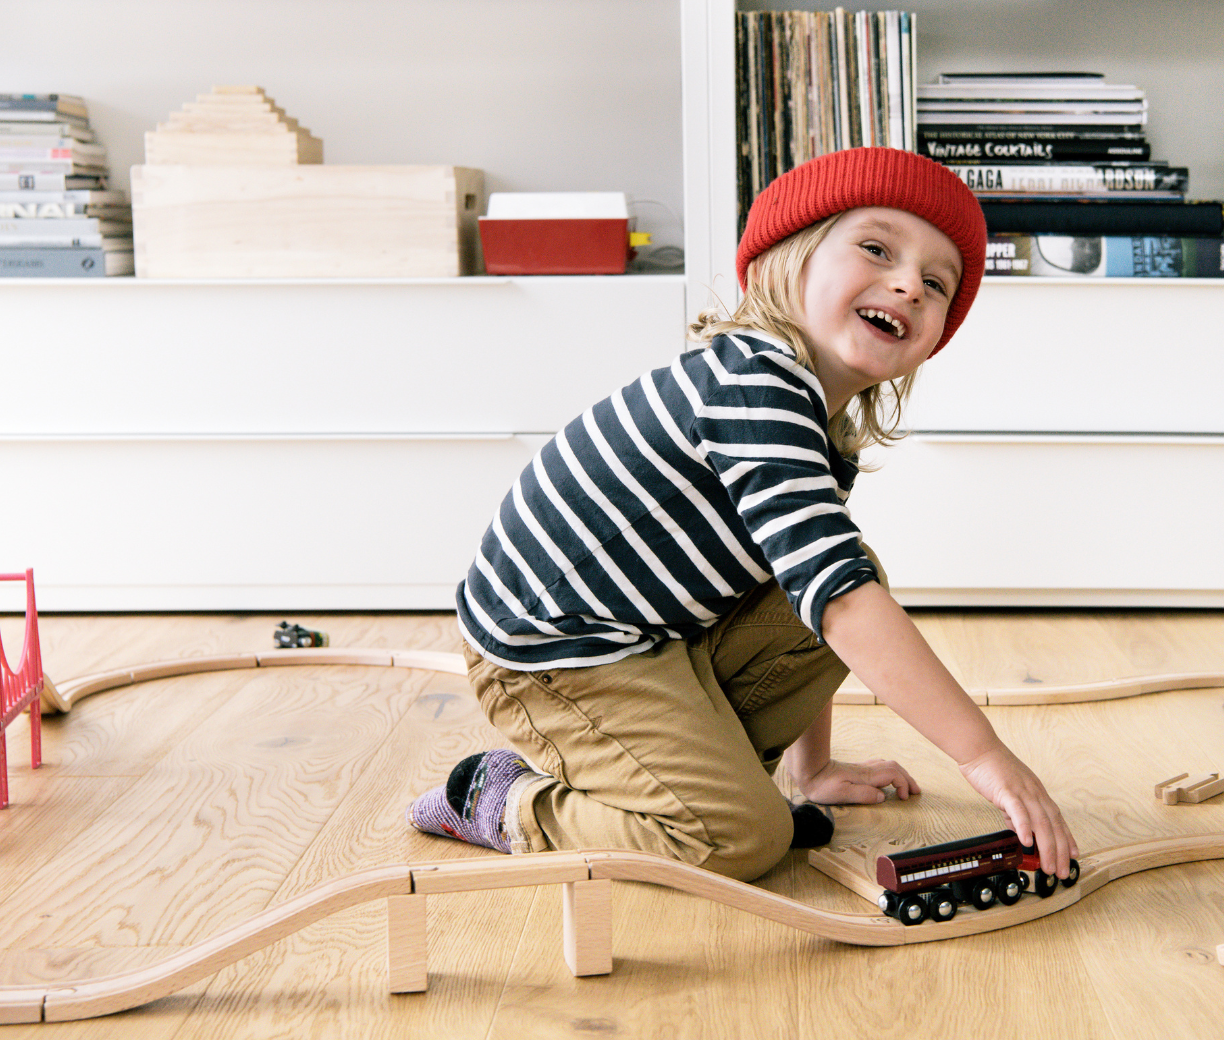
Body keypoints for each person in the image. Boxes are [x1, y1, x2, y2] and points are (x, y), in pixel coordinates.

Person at [410, 147, 1078, 884]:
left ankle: (694, 785)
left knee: (853, 576)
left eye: (935, 283)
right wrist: (984, 756)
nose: (907, 285)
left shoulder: (817, 426)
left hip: (656, 639)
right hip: (554, 656)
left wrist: (813, 771)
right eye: (877, 249)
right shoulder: (755, 382)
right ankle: (506, 801)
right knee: (736, 841)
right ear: (784, 261)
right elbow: (841, 607)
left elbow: (809, 591)